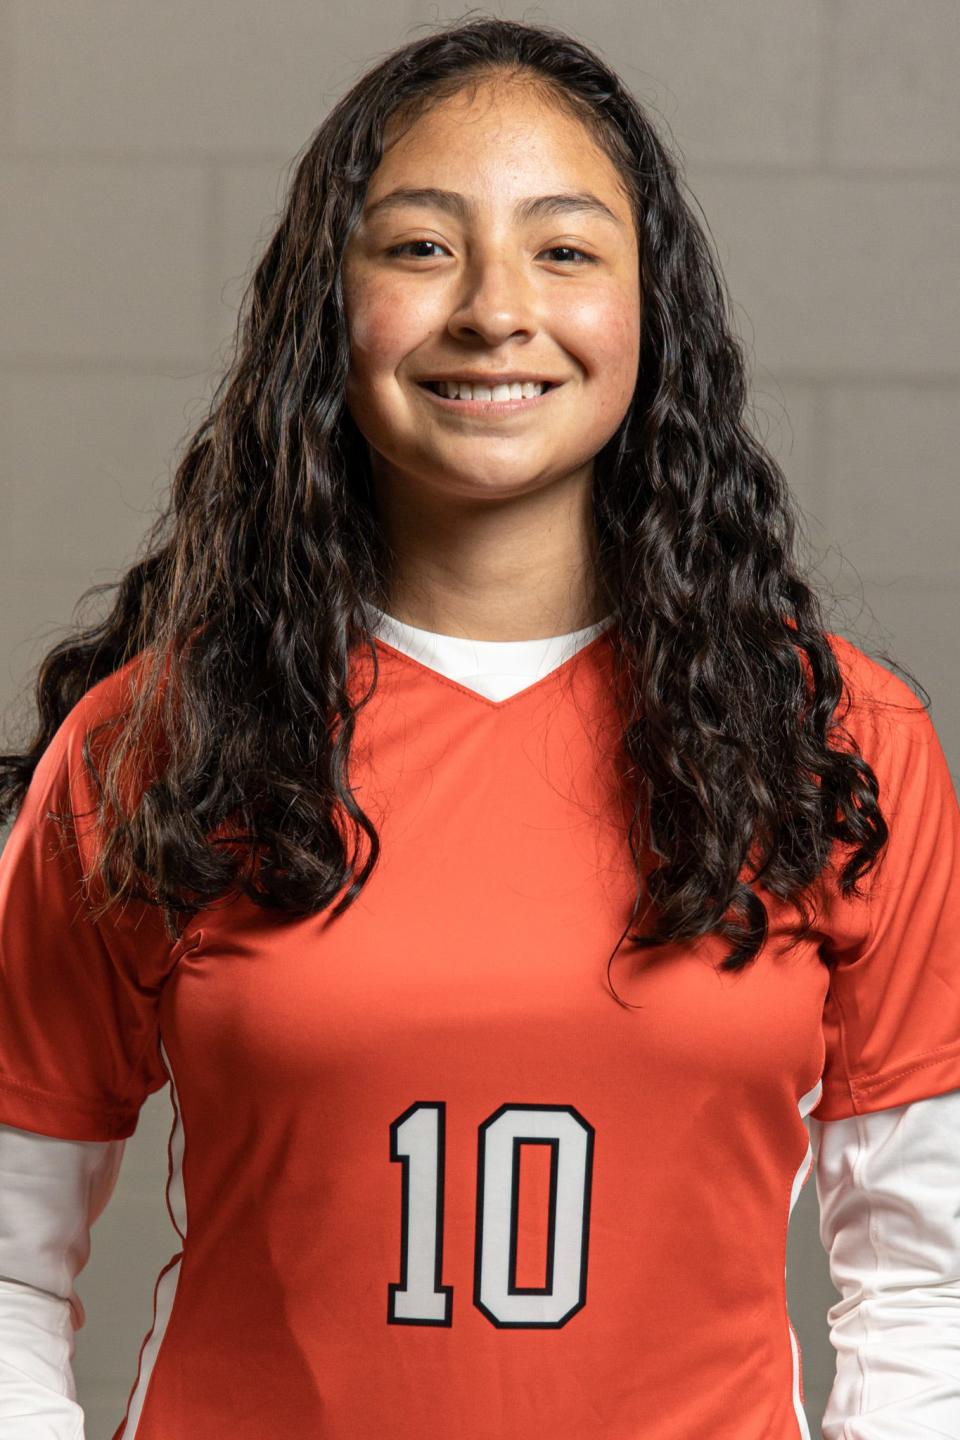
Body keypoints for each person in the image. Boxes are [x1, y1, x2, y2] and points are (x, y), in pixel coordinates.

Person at [0, 15, 958, 1440]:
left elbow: (921, 1276)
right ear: (329, 307)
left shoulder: (832, 743)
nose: (495, 309)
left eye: (565, 250)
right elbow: (9, 1262)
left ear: (652, 313)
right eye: (420, 247)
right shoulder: (162, 739)